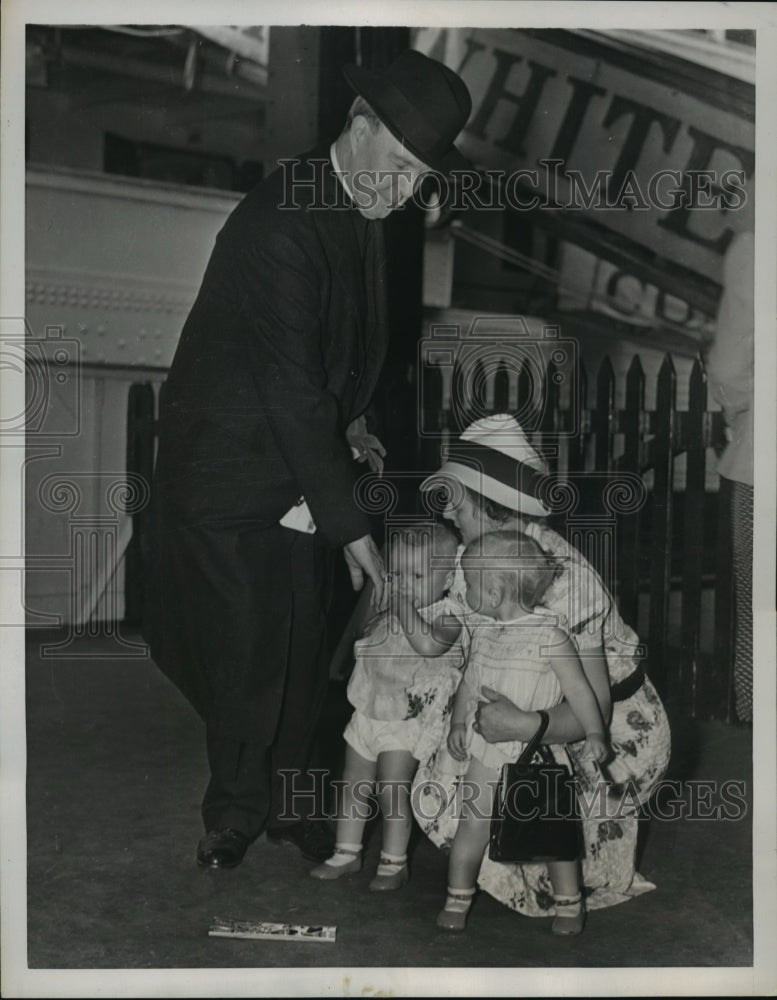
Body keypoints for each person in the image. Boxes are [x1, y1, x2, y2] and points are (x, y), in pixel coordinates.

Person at [142, 50, 472, 869]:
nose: (400, 192)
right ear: (356, 128)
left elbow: (345, 352)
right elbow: (291, 389)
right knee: (250, 647)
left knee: (300, 644)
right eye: (396, 166)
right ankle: (232, 817)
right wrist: (353, 527)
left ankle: (287, 808)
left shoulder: (357, 200)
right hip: (226, 469)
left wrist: (354, 424)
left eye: (417, 179)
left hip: (298, 458)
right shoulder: (281, 221)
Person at [412, 413, 671, 918]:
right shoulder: (478, 555)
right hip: (522, 686)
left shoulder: (564, 579)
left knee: (548, 834)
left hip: (605, 726)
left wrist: (525, 726)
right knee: (433, 702)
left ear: (478, 501)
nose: (448, 515)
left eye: (453, 502)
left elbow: (591, 702)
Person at [437, 530, 608, 935]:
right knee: (472, 823)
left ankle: (569, 903)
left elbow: (580, 691)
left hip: (538, 755)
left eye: (469, 584)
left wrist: (595, 731)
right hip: (486, 753)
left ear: (494, 593)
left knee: (552, 829)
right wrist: (458, 723)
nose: (464, 592)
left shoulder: (551, 636)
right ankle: (456, 896)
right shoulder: (484, 635)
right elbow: (468, 685)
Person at [310, 522, 464, 888]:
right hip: (368, 708)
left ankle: (394, 862)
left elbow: (429, 646)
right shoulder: (391, 602)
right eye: (398, 573)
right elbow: (363, 635)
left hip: (407, 720)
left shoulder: (449, 615)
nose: (405, 583)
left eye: (417, 574)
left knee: (391, 787)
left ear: (446, 580)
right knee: (353, 782)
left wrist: (402, 607)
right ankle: (346, 852)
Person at [706, 229, 755, 723]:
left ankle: (759, 713)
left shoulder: (759, 247)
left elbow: (730, 365)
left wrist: (739, 414)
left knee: (758, 602)